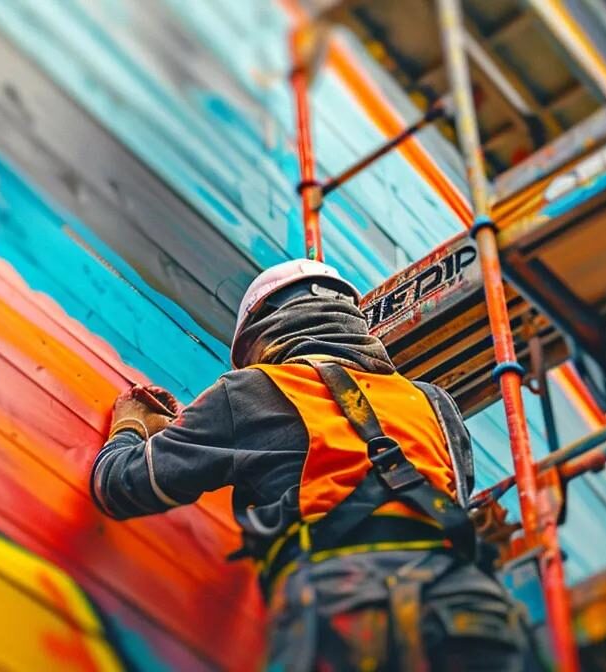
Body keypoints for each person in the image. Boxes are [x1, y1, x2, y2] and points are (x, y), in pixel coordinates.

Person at [90, 259, 525, 671]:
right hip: (471, 608)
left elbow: (120, 486)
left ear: (259, 337)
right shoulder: (432, 401)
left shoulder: (251, 391)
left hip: (348, 604)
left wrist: (131, 425)